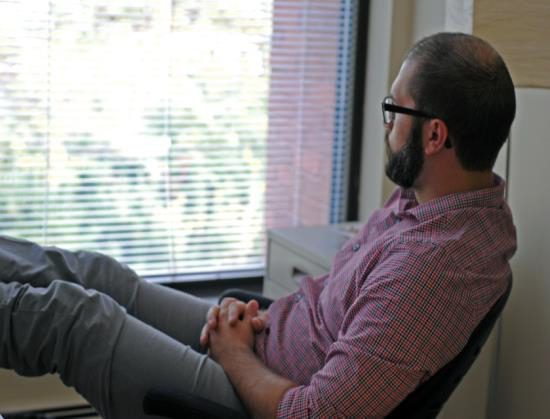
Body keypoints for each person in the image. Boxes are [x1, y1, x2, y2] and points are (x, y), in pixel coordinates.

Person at [0, 32, 516, 419]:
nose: (385, 124)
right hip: (261, 344)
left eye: (393, 109)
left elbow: (313, 415)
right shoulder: (434, 198)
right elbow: (327, 309)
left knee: (70, 318)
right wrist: (246, 319)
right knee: (99, 276)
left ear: (434, 136)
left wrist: (234, 352)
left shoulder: (435, 271)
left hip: (254, 397)